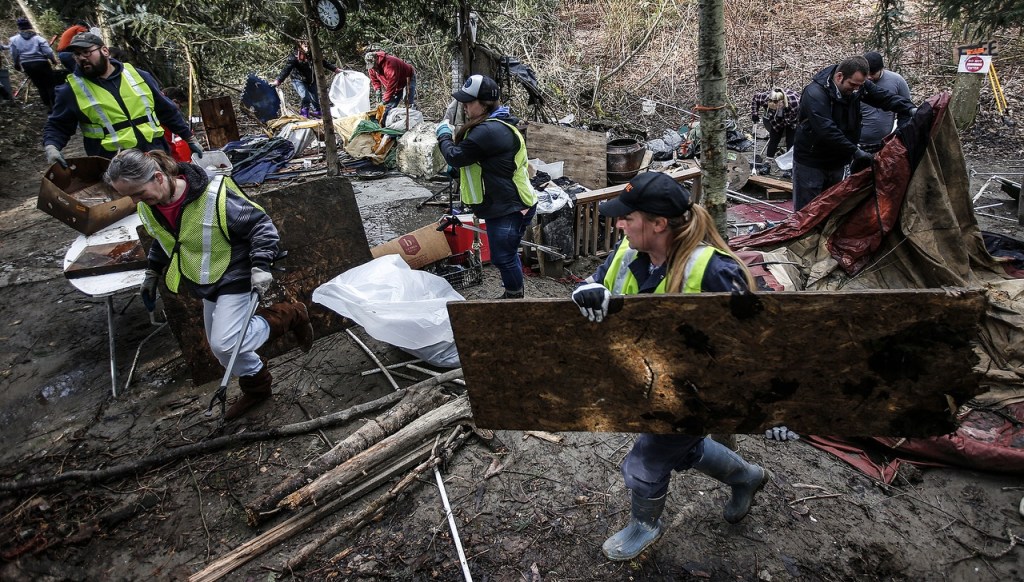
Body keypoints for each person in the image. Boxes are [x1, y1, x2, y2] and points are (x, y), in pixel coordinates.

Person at [569, 171, 769, 561]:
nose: (619, 223)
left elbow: (753, 344)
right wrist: (586, 292)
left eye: (628, 217)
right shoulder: (628, 253)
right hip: (647, 383)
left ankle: (645, 524)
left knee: (648, 457)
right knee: (685, 450)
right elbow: (598, 283)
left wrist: (768, 409)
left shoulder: (713, 269)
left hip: (696, 394)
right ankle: (747, 476)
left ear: (659, 224)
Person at [103, 149, 314, 420]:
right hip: (206, 277)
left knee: (226, 343)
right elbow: (164, 237)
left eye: (138, 193)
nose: (134, 201)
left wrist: (261, 265)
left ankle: (289, 314)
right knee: (221, 351)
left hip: (237, 271)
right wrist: (152, 272)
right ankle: (258, 388)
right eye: (129, 196)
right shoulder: (150, 206)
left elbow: (261, 226)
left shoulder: (213, 196)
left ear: (158, 177)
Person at [435, 74, 537, 299]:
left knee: (504, 257)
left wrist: (443, 135)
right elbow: (477, 161)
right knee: (506, 254)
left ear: (485, 104)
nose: (465, 106)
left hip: (511, 206)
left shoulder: (490, 130)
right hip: (499, 204)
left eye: (469, 102)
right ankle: (514, 295)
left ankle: (514, 299)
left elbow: (456, 156)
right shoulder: (489, 126)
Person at [43, 32, 200, 169]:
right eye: (77, 55)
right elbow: (58, 125)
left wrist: (189, 138)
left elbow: (166, 110)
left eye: (86, 52)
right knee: (132, 203)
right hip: (115, 164)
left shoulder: (138, 76)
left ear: (104, 50)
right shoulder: (71, 90)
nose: (82, 58)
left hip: (156, 154)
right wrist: (52, 147)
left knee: (168, 198)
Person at [791, 55, 916, 211]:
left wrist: (910, 109)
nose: (856, 89)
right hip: (811, 162)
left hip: (838, 160)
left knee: (830, 210)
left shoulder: (857, 87)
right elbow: (827, 130)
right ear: (839, 76)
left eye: (860, 86)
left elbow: (884, 97)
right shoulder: (815, 94)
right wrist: (856, 151)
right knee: (806, 212)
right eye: (852, 84)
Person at [270, 40, 341, 118]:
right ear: (299, 45)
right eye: (304, 45)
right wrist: (278, 80)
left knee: (315, 99)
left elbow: (323, 62)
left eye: (308, 45)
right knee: (305, 97)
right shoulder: (294, 56)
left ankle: (318, 115)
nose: (306, 47)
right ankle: (304, 115)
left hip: (311, 79)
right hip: (298, 80)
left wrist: (335, 69)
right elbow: (287, 69)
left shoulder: (313, 54)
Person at [859, 51, 912, 153]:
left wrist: (900, 134)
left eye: (872, 74)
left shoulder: (897, 81)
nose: (869, 77)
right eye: (866, 74)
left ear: (881, 69)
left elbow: (905, 110)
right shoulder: (856, 82)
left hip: (885, 144)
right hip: (857, 144)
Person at [9, 17, 59, 112]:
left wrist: (17, 64)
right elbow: (48, 52)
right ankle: (56, 106)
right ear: (29, 26)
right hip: (42, 63)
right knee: (50, 85)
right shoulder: (38, 38)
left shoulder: (14, 40)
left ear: (19, 28)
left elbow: (14, 53)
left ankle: (48, 106)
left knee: (40, 86)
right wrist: (53, 60)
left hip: (27, 65)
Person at [365, 50, 415, 122]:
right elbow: (374, 79)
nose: (373, 68)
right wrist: (377, 89)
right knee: (389, 106)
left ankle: (412, 120)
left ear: (376, 60)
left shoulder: (390, 64)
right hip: (394, 84)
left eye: (374, 66)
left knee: (408, 101)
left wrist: (384, 100)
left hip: (408, 77)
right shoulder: (372, 67)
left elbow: (392, 85)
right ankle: (384, 121)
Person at [750, 87, 800, 158]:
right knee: (774, 139)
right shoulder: (766, 98)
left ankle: (790, 162)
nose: (774, 109)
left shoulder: (794, 103)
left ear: (782, 102)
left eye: (776, 107)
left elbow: (801, 115)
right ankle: (768, 161)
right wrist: (754, 114)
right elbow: (755, 98)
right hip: (775, 119)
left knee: (791, 141)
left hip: (792, 120)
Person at [161, 86, 193, 162]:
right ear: (174, 101)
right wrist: (180, 165)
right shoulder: (165, 121)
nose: (179, 110)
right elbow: (168, 147)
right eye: (180, 106)